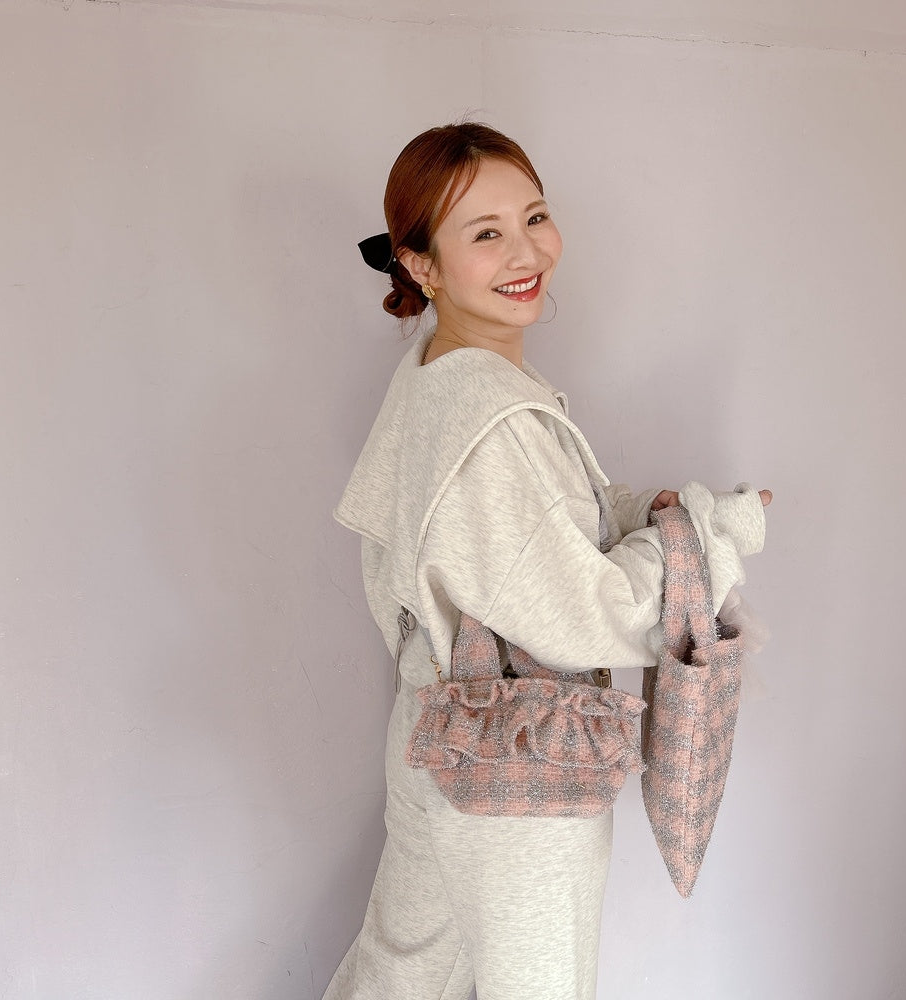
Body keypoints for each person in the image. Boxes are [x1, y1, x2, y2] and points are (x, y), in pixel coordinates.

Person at [325, 122, 771, 1000]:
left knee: (400, 976)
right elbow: (589, 614)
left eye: (534, 217)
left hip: (439, 732)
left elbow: (527, 536)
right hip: (520, 768)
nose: (526, 252)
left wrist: (647, 514)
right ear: (421, 264)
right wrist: (716, 534)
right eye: (485, 233)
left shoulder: (439, 376)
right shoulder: (487, 417)